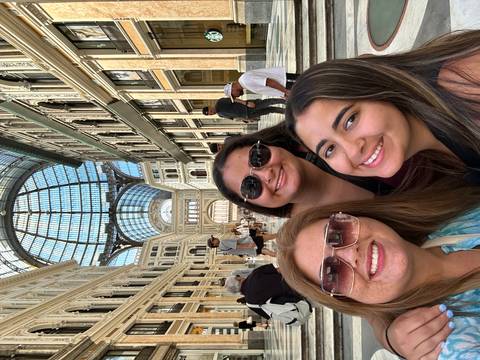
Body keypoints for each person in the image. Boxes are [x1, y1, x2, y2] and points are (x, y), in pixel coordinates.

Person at [276, 184, 480, 359]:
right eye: (333, 273)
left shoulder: (449, 209)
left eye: (338, 233)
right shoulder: (445, 344)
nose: (351, 254)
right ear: (348, 299)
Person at [285, 30, 480, 185]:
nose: (353, 151)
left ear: (375, 85)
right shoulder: (435, 157)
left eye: (350, 120)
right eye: (329, 150)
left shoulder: (462, 83)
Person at [224, 264, 312, 325]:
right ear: (238, 279)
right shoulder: (255, 274)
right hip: (299, 281)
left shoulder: (250, 303)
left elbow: (268, 315)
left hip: (298, 303)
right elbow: (280, 269)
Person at [224, 67, 298, 101]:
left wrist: (285, 91)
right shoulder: (244, 82)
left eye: (233, 95)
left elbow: (268, 82)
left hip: (284, 82)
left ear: (233, 89)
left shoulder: (246, 80)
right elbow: (267, 88)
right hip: (283, 83)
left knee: (307, 82)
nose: (237, 96)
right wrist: (282, 94)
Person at [203, 97, 285, 123]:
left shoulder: (220, 102)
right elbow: (234, 117)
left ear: (210, 106)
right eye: (210, 114)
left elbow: (233, 99)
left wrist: (246, 103)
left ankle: (286, 101)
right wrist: (247, 119)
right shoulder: (220, 114)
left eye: (210, 111)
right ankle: (286, 112)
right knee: (269, 110)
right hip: (248, 115)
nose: (211, 113)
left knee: (268, 102)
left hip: (247, 106)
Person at [207, 231, 277, 257]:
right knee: (270, 237)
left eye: (213, 238)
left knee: (265, 251)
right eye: (213, 240)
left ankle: (280, 255)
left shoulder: (222, 249)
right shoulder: (222, 242)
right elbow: (237, 246)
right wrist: (249, 245)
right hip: (250, 242)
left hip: (249, 251)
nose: (215, 238)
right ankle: (284, 235)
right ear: (214, 244)